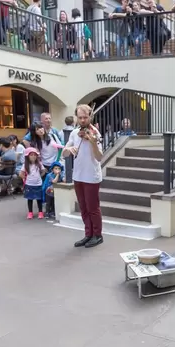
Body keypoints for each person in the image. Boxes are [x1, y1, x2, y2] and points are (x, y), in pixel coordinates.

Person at [62, 104, 104, 248]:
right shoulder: (74, 133)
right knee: (83, 208)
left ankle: (97, 235)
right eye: (80, 118)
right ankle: (88, 234)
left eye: (85, 117)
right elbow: (64, 154)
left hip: (91, 175)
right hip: (78, 175)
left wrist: (92, 142)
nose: (82, 120)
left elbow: (99, 157)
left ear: (90, 117)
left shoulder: (95, 133)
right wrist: (69, 149)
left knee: (93, 207)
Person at [20, 147, 45, 219]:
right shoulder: (25, 165)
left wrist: (40, 176)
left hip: (38, 184)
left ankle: (40, 212)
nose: (33, 156)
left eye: (35, 155)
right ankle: (30, 212)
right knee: (30, 199)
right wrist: (24, 178)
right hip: (29, 184)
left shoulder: (39, 164)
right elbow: (21, 173)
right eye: (31, 155)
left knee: (39, 199)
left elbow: (43, 171)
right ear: (27, 156)